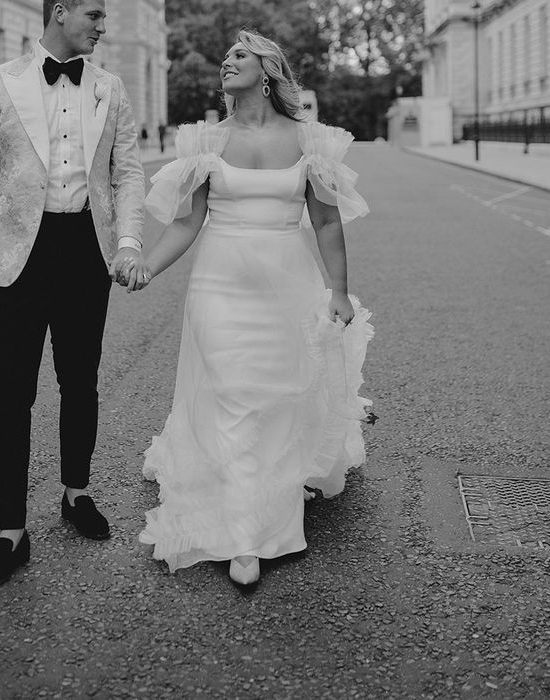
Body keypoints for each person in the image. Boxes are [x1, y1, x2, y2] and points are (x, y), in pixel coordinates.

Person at [116, 30, 373, 587]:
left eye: (239, 56)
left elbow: (327, 222)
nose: (225, 63)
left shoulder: (310, 141)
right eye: (226, 58)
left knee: (275, 397)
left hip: (289, 286)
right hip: (219, 286)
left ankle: (264, 501)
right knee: (234, 393)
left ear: (268, 69)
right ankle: (246, 536)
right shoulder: (206, 141)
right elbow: (186, 222)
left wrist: (339, 291)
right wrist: (146, 267)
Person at [0, 0, 146, 590]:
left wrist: (128, 241)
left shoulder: (112, 86)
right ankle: (10, 532)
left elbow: (128, 170)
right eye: (95, 14)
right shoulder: (0, 83)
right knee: (11, 394)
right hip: (14, 257)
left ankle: (77, 493)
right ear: (61, 10)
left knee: (81, 381)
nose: (103, 27)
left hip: (85, 249)